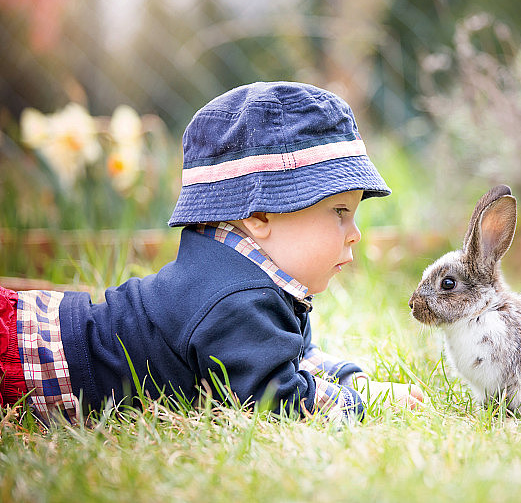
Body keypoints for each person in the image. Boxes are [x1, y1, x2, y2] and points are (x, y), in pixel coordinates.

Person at [0, 82, 425, 425]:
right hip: (27, 362)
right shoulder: (233, 300)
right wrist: (362, 405)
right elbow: (277, 398)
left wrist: (362, 383)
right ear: (260, 214)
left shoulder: (259, 280)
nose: (355, 234)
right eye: (339, 212)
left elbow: (294, 356)